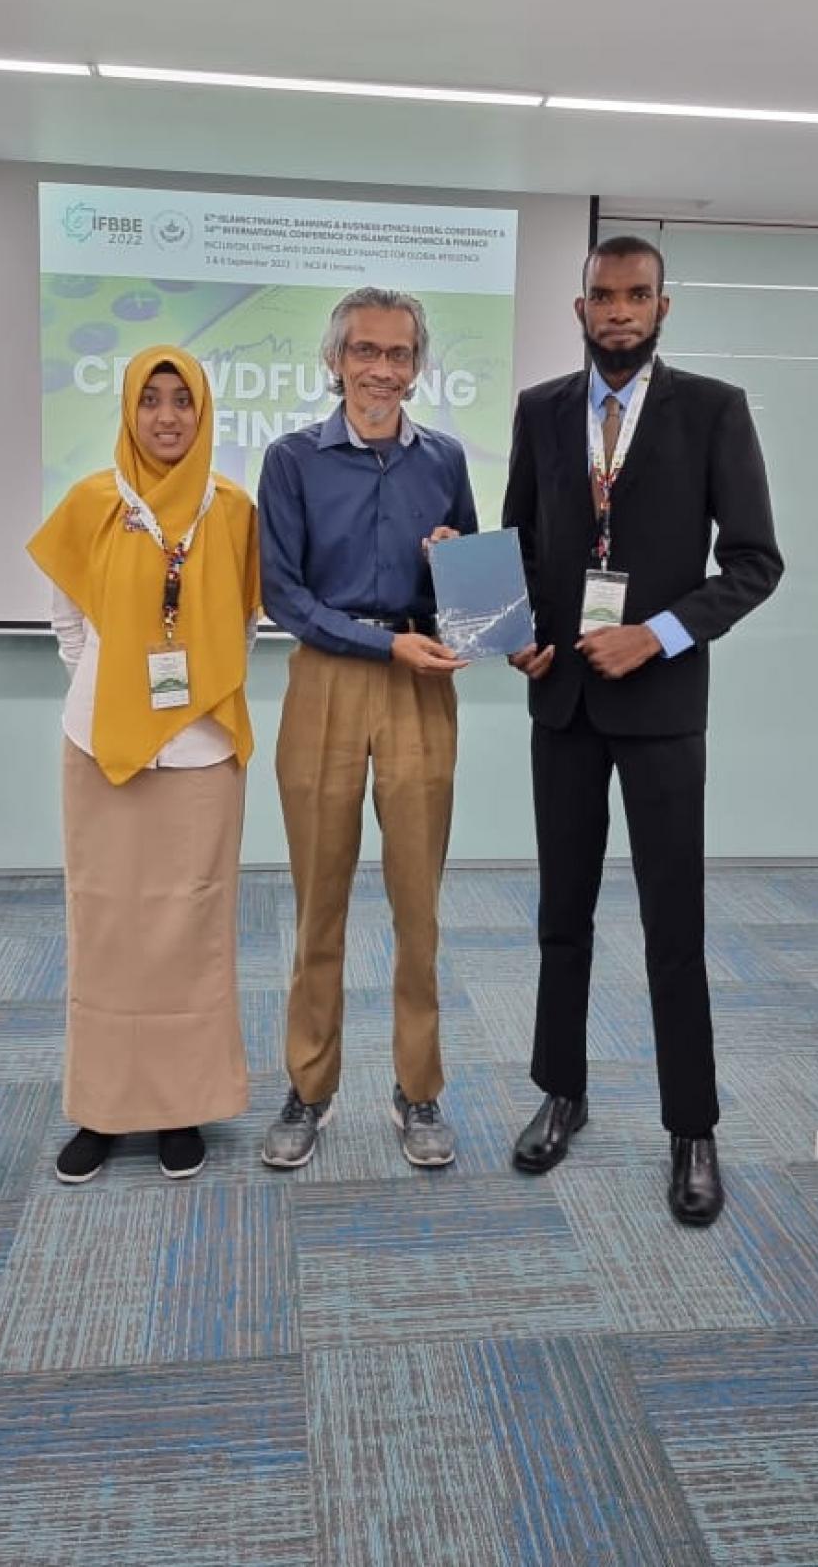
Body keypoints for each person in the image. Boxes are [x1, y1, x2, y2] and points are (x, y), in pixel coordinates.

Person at [503, 234, 783, 1225]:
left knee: (674, 925)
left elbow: (753, 561)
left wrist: (655, 635)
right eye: (600, 296)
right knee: (559, 917)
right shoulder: (539, 411)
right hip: (564, 705)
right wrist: (519, 641)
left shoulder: (711, 410)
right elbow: (523, 548)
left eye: (635, 294)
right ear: (577, 309)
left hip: (660, 705)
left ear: (664, 306)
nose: (617, 310)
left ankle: (690, 1126)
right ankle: (561, 1088)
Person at [27, 345, 260, 1183]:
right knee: (107, 926)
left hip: (201, 751)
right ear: (129, 409)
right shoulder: (93, 500)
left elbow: (237, 622)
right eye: (151, 400)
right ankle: (101, 1109)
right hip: (103, 749)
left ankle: (180, 1107)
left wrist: (173, 705)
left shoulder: (231, 507)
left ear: (203, 412)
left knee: (190, 928)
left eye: (183, 401)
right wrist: (116, 696)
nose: (167, 416)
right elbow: (68, 626)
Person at [258, 286, 477, 1170]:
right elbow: (284, 594)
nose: (381, 369)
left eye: (398, 354)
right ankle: (309, 1090)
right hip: (328, 683)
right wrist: (380, 647)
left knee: (418, 905)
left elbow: (457, 588)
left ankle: (418, 1089)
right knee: (321, 904)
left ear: (417, 366)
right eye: (364, 352)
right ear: (335, 359)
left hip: (419, 683)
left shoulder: (446, 458)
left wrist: (449, 578)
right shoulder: (290, 460)